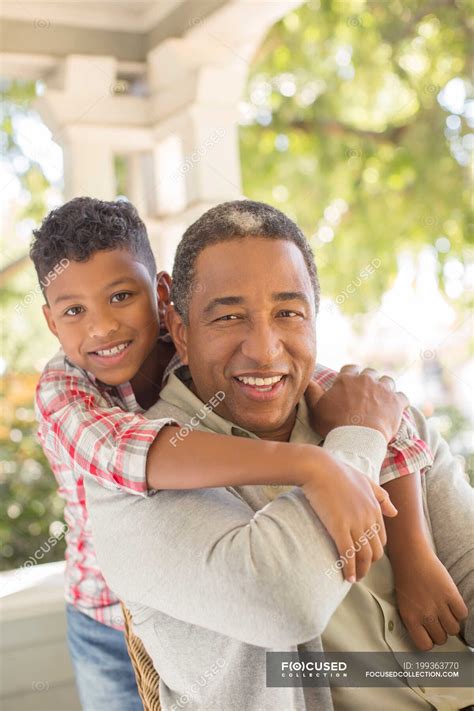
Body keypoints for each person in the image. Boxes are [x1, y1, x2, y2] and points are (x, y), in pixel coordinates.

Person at [32, 197, 420, 709]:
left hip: (203, 604)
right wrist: (314, 464)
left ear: (163, 296)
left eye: (122, 296)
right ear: (50, 322)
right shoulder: (62, 390)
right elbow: (138, 455)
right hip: (105, 615)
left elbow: (372, 408)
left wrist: (416, 557)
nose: (103, 327)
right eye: (74, 311)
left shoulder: (201, 337)